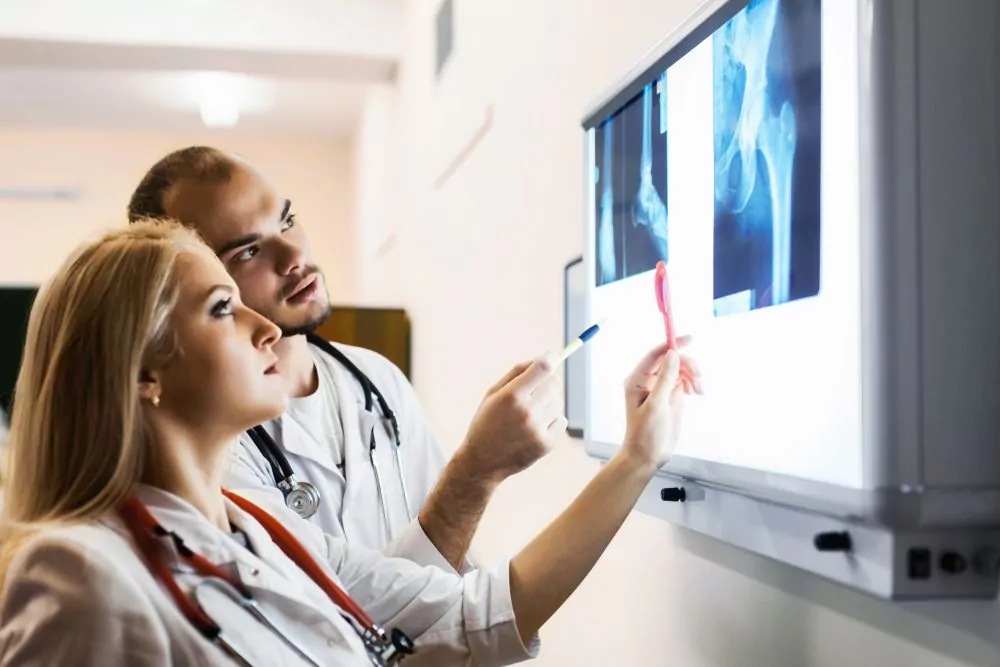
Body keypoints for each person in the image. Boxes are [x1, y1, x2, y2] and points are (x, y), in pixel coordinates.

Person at [0, 221, 697, 666]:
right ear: (143, 369)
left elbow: (473, 615)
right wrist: (476, 472)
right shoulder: (78, 574)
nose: (264, 326)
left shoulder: (261, 530)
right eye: (221, 307)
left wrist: (637, 459)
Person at [127, 147, 569, 573]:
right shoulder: (209, 446)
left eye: (288, 221)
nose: (295, 257)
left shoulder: (379, 379)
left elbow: (454, 584)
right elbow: (341, 628)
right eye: (249, 251)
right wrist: (477, 469)